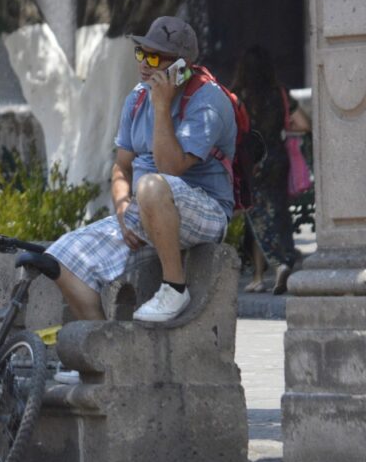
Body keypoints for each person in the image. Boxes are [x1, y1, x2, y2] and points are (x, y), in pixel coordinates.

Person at [41, 16, 237, 323]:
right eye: (142, 53)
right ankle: (101, 343)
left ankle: (174, 288)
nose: (145, 64)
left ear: (181, 66)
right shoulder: (136, 98)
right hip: (148, 209)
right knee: (60, 259)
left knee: (151, 186)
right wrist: (122, 211)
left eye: (155, 58)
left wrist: (162, 106)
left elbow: (169, 168)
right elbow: (121, 167)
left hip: (206, 211)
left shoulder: (208, 101)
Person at [231, 45, 311, 295]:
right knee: (279, 214)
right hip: (277, 158)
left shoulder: (237, 96)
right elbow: (304, 124)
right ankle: (283, 262)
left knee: (256, 218)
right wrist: (285, 127)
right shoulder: (280, 93)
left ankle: (258, 276)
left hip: (251, 162)